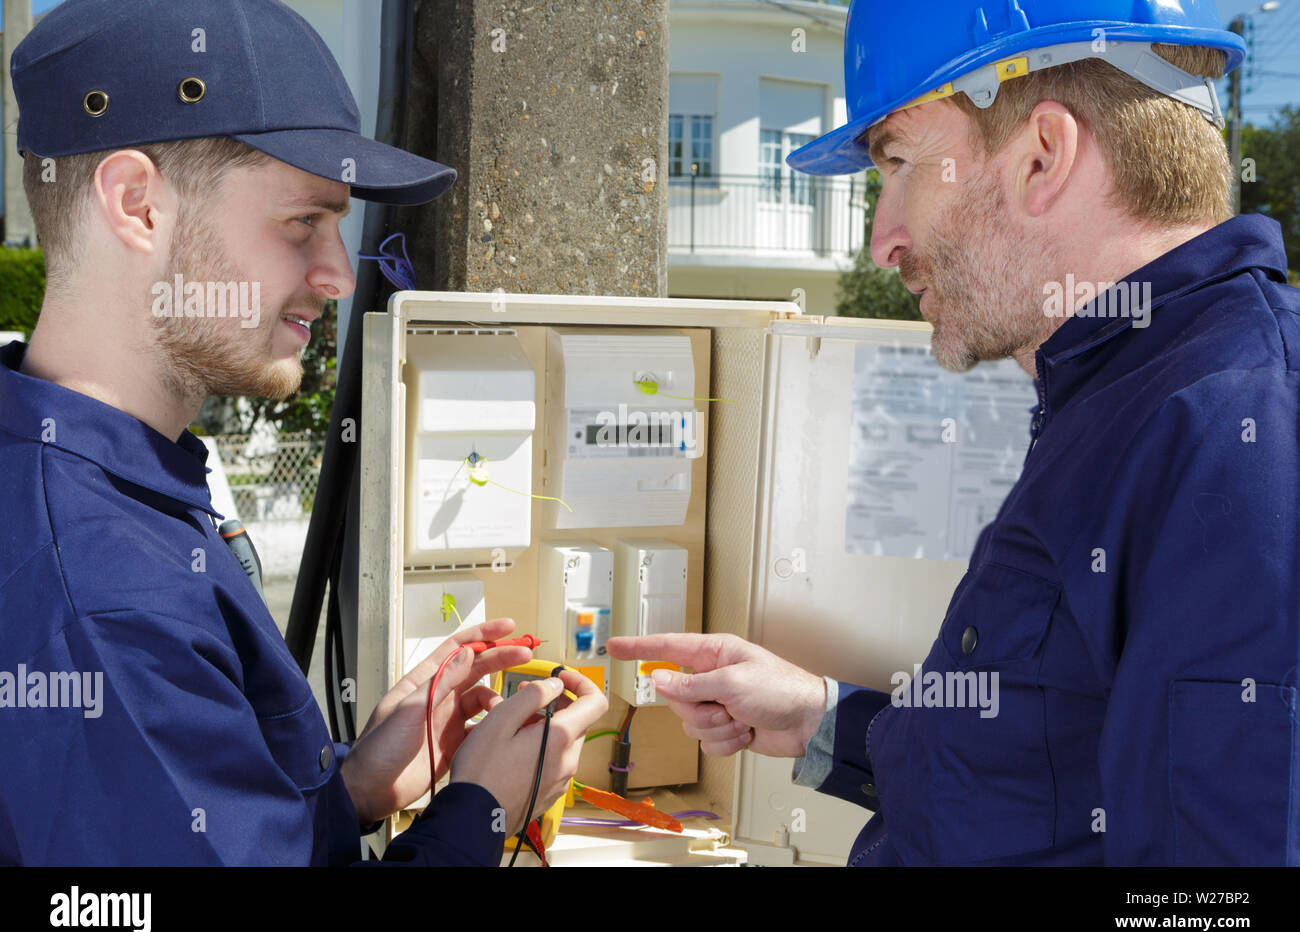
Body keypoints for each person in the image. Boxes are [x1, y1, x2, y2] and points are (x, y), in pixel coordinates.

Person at [611, 0, 1300, 865]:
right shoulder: (1128, 392)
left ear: (1041, 157)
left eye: (899, 163)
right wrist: (821, 718)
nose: (880, 242)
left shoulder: (1242, 428)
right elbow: (1053, 766)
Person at [0, 0, 605, 865]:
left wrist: (347, 792)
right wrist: (484, 810)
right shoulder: (104, 596)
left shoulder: (84, 487)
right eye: (302, 222)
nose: (334, 274)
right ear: (137, 203)